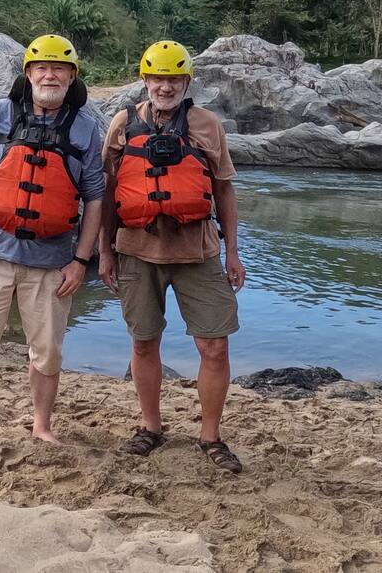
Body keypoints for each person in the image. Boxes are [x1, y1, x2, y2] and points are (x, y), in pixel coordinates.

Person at [0, 33, 105, 455]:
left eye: (59, 68)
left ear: (72, 77)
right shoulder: (0, 113)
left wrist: (80, 260)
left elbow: (95, 198)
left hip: (52, 262)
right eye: (41, 68)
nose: (50, 75)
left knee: (46, 352)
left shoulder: (86, 129)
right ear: (28, 74)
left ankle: (41, 426)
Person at [99, 39, 246, 473]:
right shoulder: (122, 123)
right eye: (158, 78)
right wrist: (104, 252)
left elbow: (224, 190)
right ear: (145, 80)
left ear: (186, 82)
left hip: (197, 251)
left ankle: (211, 436)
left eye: (174, 79)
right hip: (136, 250)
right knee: (144, 341)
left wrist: (233, 252)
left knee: (214, 346)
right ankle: (150, 427)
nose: (166, 86)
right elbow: (107, 192)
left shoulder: (207, 124)